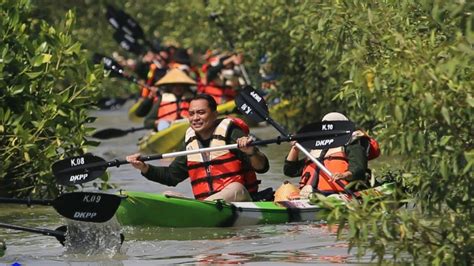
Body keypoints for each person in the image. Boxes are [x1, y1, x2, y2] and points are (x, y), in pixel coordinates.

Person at [127, 94, 269, 202]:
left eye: (201, 113)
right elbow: (171, 176)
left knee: (235, 187)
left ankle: (203, 208)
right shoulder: (190, 140)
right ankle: (200, 208)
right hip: (209, 204)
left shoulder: (230, 132)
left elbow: (262, 167)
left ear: (214, 114)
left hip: (242, 201)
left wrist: (252, 152)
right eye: (191, 114)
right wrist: (144, 167)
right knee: (167, 194)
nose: (195, 118)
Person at [283, 112, 373, 198]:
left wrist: (344, 175)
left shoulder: (352, 145)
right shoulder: (317, 149)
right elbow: (290, 170)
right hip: (311, 194)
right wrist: (295, 148)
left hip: (340, 193)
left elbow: (359, 168)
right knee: (284, 190)